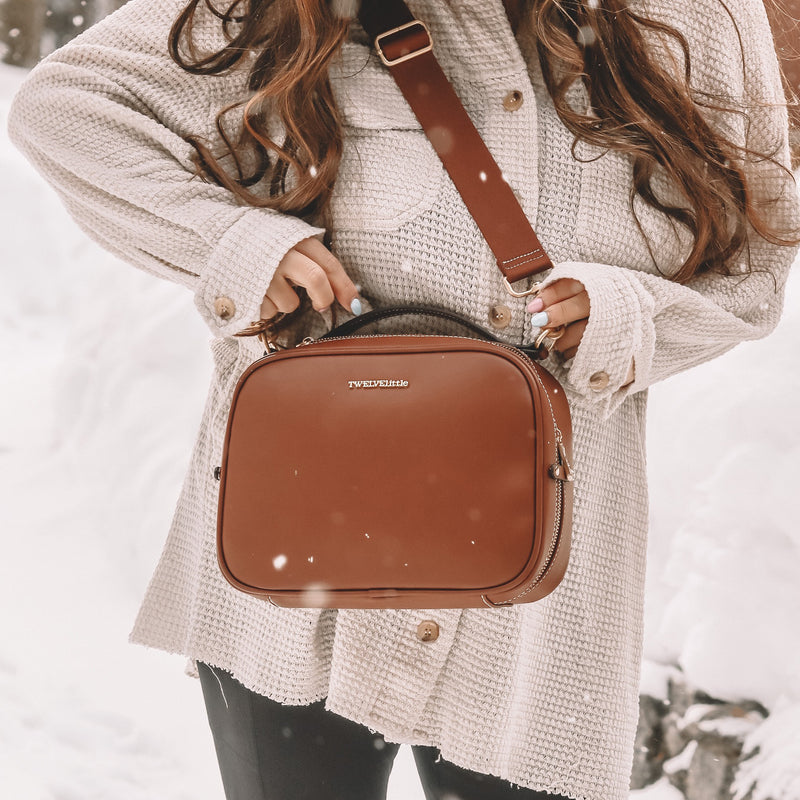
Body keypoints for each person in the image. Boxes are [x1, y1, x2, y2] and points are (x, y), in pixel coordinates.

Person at [7, 1, 800, 799]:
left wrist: (631, 317)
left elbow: (756, 267)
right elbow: (67, 109)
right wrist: (235, 243)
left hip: (538, 611)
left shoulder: (698, 16)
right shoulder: (295, 8)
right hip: (297, 570)